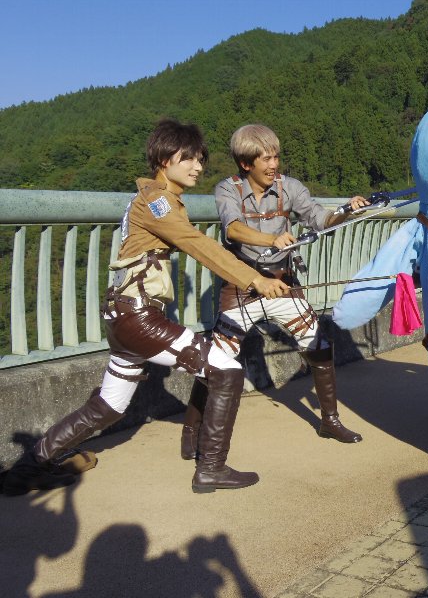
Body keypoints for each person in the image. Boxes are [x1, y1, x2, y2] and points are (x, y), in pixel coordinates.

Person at [3, 120, 288, 496]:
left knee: (109, 406)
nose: (198, 167)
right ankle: (211, 469)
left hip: (124, 316)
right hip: (138, 317)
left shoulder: (157, 199)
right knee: (227, 371)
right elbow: (197, 243)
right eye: (188, 159)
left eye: (200, 159)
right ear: (165, 160)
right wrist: (256, 279)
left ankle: (27, 469)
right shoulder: (157, 202)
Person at [179, 124, 368, 459]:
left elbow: (319, 219)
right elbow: (233, 229)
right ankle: (192, 428)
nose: (274, 164)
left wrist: (346, 211)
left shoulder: (289, 187)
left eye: (276, 156)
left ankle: (330, 420)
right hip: (242, 286)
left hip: (284, 284)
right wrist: (272, 239)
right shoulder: (227, 189)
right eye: (265, 159)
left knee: (319, 346)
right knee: (217, 359)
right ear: (245, 163)